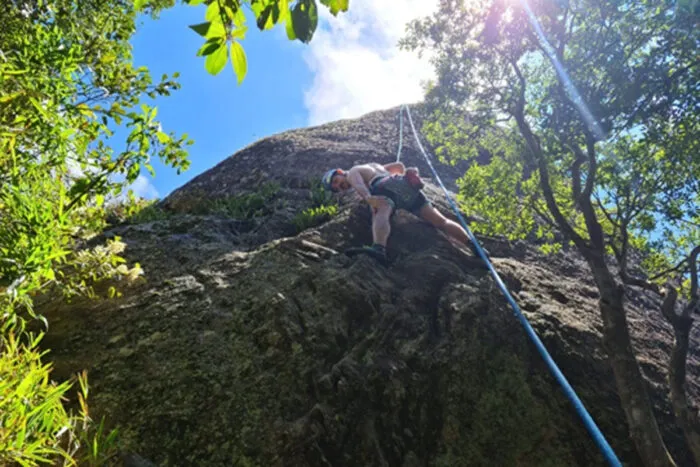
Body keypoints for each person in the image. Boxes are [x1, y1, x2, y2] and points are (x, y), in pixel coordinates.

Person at [321, 162, 478, 265]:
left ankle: (379, 248)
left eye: (336, 181)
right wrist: (401, 177)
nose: (340, 186)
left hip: (384, 185)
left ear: (341, 172)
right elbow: (398, 165)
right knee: (440, 221)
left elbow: (359, 184)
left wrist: (369, 199)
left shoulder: (353, 171)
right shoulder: (374, 166)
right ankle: (474, 246)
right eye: (338, 189)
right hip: (406, 187)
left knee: (380, 209)